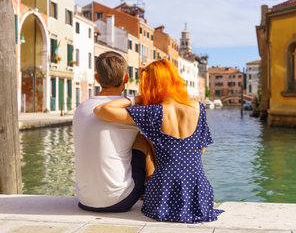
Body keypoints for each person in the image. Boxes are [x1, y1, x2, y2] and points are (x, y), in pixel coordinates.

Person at [94, 59, 223, 223]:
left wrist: (135, 99)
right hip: (198, 195)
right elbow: (201, 150)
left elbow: (101, 110)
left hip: (163, 196)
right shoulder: (199, 108)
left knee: (141, 139)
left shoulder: (152, 113)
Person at [73, 51, 154, 212]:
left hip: (85, 200)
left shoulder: (80, 108)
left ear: (97, 79)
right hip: (120, 200)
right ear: (125, 79)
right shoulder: (132, 109)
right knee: (144, 137)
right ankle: (154, 189)